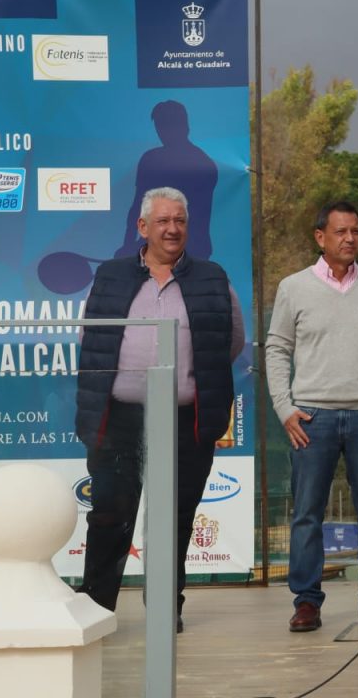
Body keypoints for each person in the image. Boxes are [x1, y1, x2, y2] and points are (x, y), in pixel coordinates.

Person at [75, 187, 244, 632]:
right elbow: (88, 341)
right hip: (120, 419)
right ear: (143, 227)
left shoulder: (213, 277)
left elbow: (232, 341)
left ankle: (167, 608)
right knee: (110, 514)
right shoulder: (110, 276)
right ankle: (96, 609)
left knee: (175, 519)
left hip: (184, 420)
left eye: (180, 221)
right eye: (164, 221)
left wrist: (190, 378)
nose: (173, 229)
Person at [265, 200, 358, 634]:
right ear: (320, 237)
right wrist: (284, 408)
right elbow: (276, 349)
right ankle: (307, 603)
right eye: (341, 232)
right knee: (307, 515)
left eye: (356, 231)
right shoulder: (293, 288)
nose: (350, 239)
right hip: (311, 419)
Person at [116, 101, 218, 260]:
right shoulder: (150, 160)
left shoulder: (202, 164)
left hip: (193, 253)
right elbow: (137, 207)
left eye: (168, 125)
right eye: (160, 126)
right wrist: (127, 246)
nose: (163, 132)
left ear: (185, 126)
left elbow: (195, 218)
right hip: (155, 248)